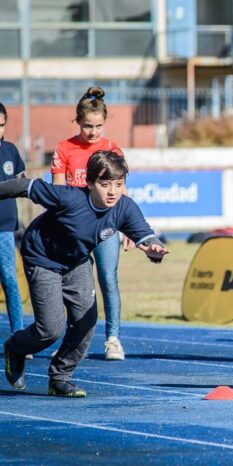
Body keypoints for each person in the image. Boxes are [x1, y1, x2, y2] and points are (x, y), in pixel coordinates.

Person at [1, 151, 169, 397]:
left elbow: (144, 235)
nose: (112, 191)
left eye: (119, 184)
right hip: (42, 258)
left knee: (86, 320)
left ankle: (60, 377)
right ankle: (15, 348)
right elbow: (23, 186)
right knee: (51, 328)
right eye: (104, 184)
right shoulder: (69, 197)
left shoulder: (124, 207)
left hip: (77, 261)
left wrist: (153, 248)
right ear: (89, 183)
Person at [51, 86, 129, 361]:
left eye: (98, 126)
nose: (93, 132)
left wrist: (129, 228)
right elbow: (57, 196)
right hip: (75, 231)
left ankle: (113, 339)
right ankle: (74, 342)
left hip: (106, 227)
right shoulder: (64, 149)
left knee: (108, 279)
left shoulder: (111, 148)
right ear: (77, 121)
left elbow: (122, 192)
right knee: (75, 287)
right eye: (87, 126)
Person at [0, 103, 25, 336]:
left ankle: (19, 335)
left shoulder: (10, 150)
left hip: (5, 228)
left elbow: (21, 181)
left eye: (1, 125)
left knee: (10, 279)